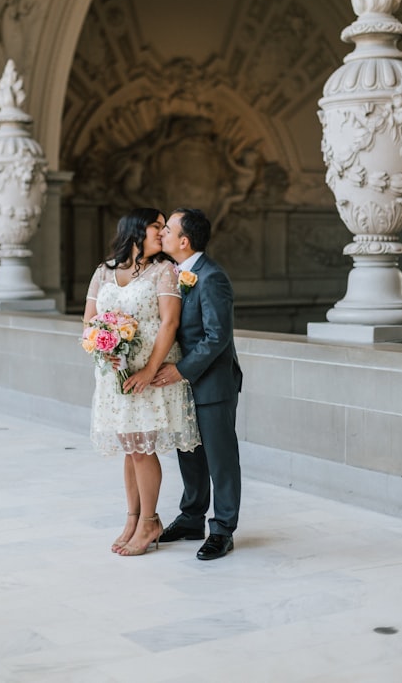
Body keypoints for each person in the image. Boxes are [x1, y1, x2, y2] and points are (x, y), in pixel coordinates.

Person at [84, 207, 201, 557]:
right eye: (157, 226)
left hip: (149, 375)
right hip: (115, 376)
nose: (162, 233)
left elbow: (169, 324)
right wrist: (103, 349)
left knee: (143, 448)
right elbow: (89, 322)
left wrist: (150, 370)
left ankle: (150, 521)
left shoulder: (164, 271)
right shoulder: (103, 272)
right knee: (130, 447)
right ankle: (133, 518)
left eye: (166, 228)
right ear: (136, 230)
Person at [152, 208, 242, 560]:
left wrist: (181, 370)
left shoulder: (211, 277)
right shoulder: (172, 274)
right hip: (183, 386)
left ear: (184, 241)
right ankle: (191, 518)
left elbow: (217, 336)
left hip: (212, 383)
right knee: (188, 454)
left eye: (168, 230)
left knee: (220, 459)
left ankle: (222, 530)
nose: (162, 235)